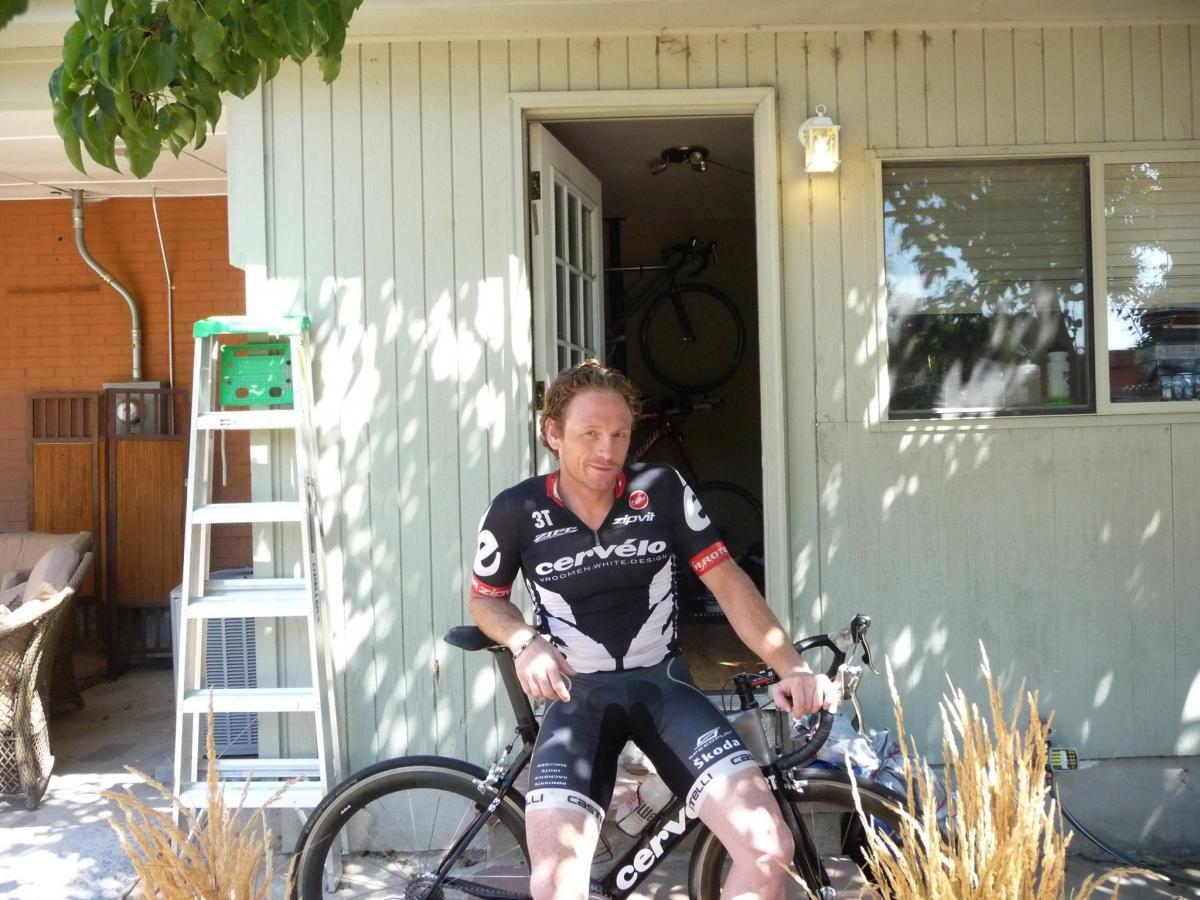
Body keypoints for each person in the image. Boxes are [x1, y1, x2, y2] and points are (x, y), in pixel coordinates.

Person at [468, 360, 837, 900]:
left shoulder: (660, 488)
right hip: (577, 700)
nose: (607, 449)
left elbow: (729, 583)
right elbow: (485, 601)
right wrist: (525, 641)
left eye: (619, 434)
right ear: (552, 433)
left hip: (665, 688)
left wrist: (792, 666)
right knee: (555, 887)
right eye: (589, 433)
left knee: (768, 847)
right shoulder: (516, 509)